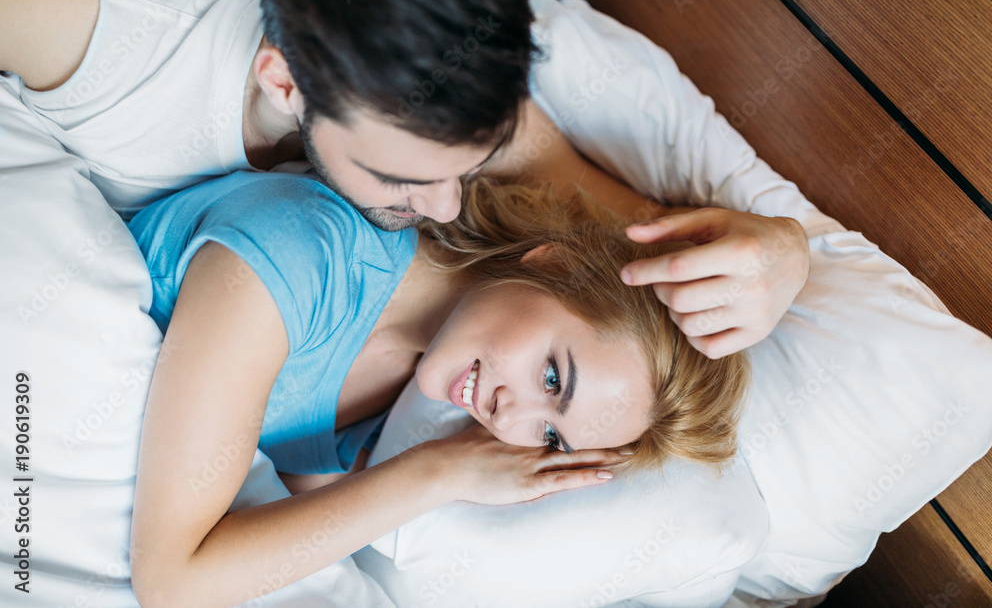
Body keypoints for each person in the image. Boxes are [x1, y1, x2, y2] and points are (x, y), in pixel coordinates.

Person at [0, 0, 810, 359]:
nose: (447, 205)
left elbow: (638, 232)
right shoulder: (87, 14)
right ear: (284, 85)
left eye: (469, 165)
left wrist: (784, 252)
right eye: (403, 178)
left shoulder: (441, 86)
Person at [126, 160, 749, 606]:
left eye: (551, 437)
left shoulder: (408, 383)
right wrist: (438, 471)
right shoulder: (301, 254)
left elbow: (291, 529)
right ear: (552, 261)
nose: (508, 419)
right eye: (553, 376)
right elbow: (170, 583)